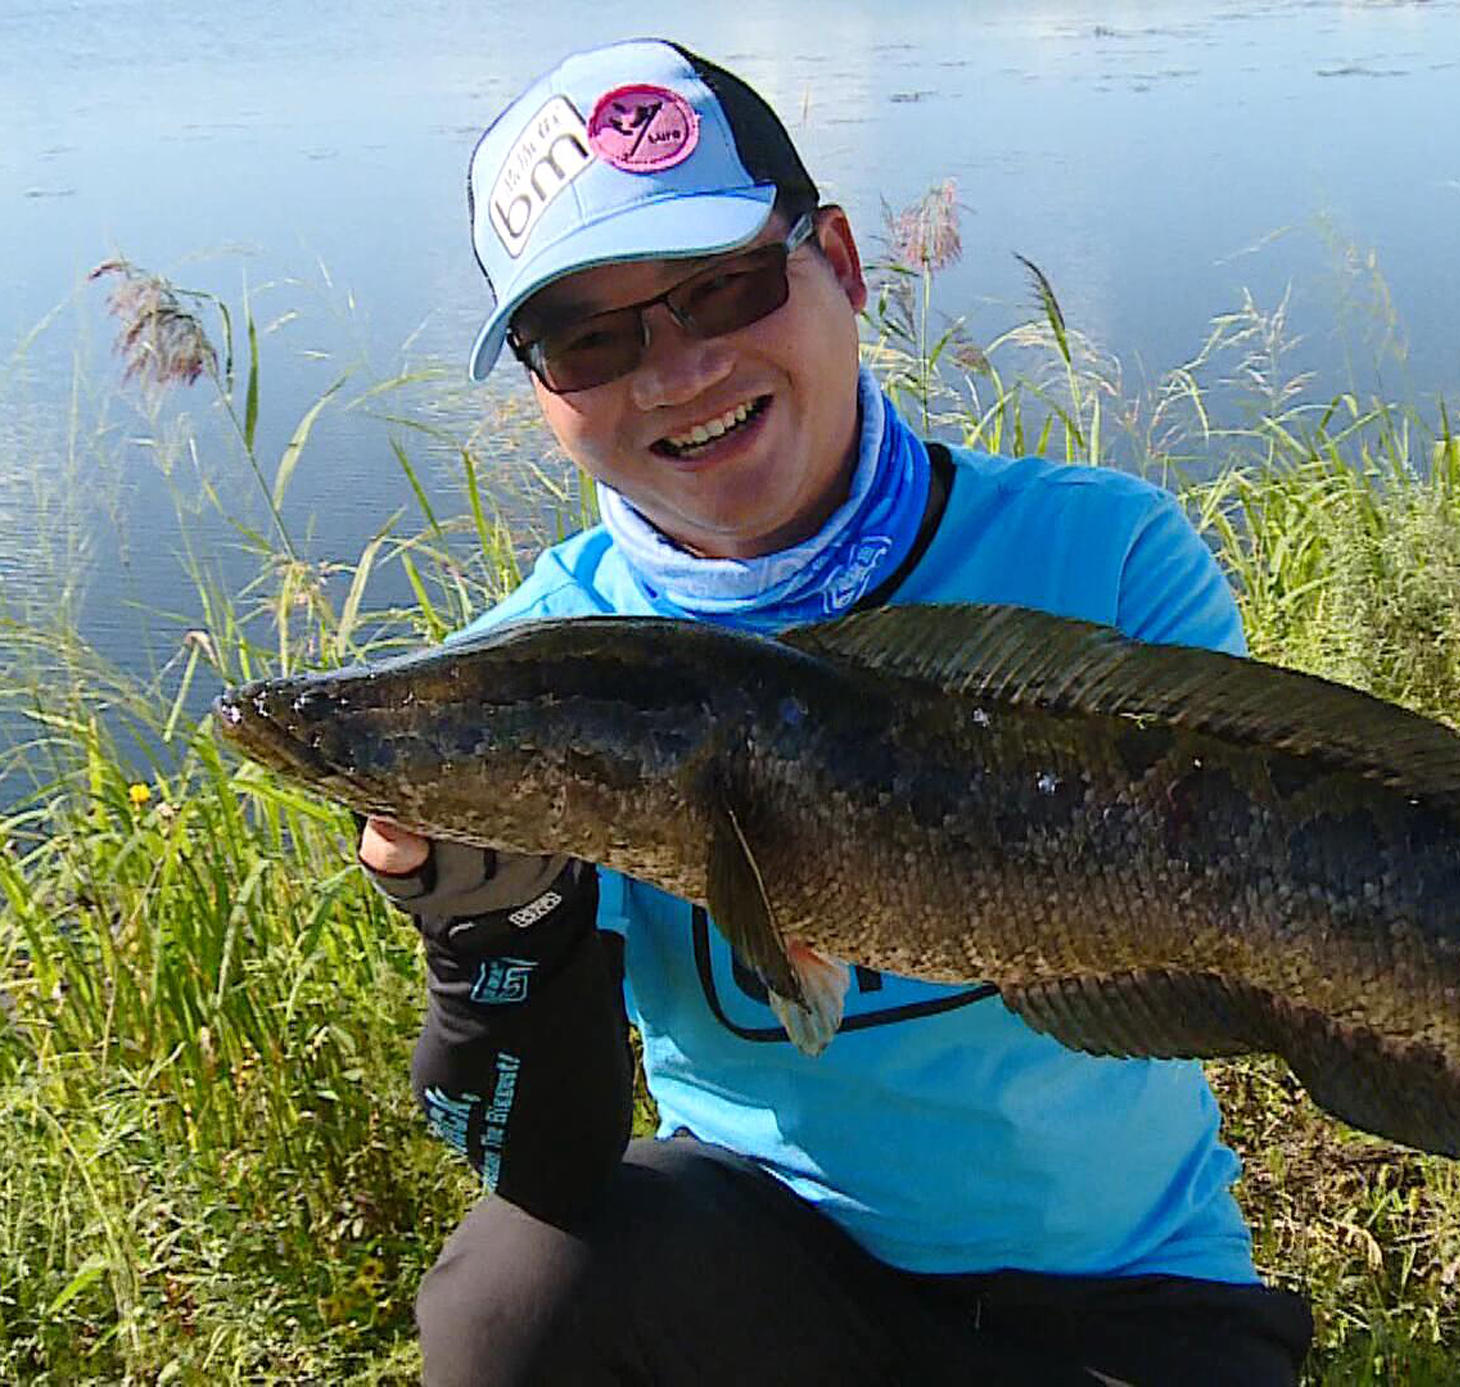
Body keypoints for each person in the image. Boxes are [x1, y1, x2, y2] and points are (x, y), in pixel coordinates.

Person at [360, 37, 1314, 1387]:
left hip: (1123, 1302)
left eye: (726, 286)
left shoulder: (1099, 563)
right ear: (543, 392)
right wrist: (490, 930)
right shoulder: (518, 684)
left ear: (846, 267)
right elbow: (541, 1165)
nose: (676, 370)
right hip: (773, 1286)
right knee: (509, 1303)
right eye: (590, 338)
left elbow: (1263, 940)